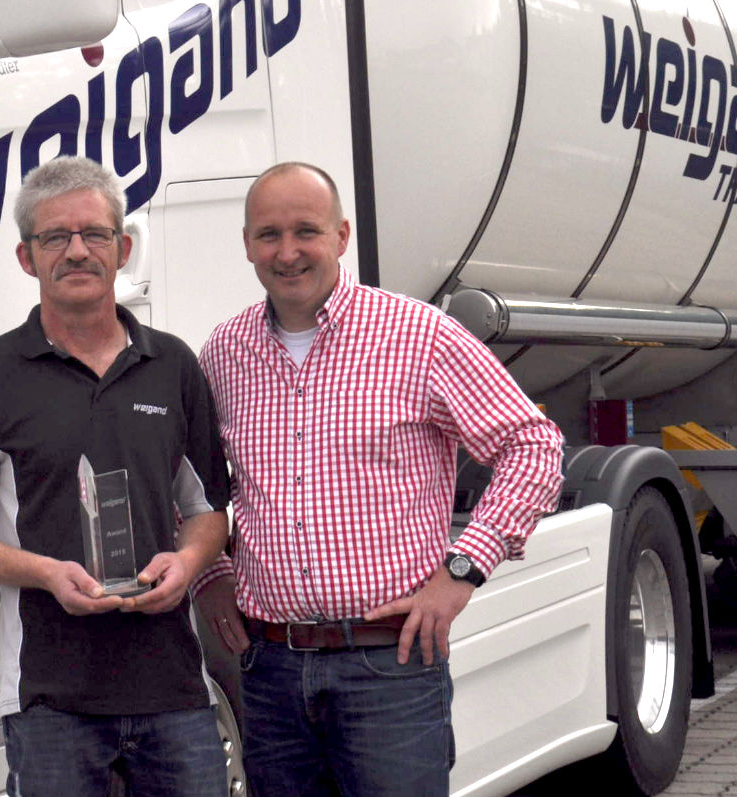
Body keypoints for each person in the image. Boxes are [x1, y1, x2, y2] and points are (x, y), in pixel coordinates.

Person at [193, 162, 565, 797]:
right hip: (269, 670)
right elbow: (195, 483)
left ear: (341, 236)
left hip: (389, 668)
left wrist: (462, 571)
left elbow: (532, 445)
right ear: (247, 244)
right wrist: (211, 575)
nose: (287, 252)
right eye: (268, 234)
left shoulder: (419, 335)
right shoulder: (225, 352)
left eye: (306, 231)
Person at [0, 156, 231, 797]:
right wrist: (47, 574)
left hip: (175, 692)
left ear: (123, 249)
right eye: (55, 237)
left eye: (94, 234)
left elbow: (208, 513)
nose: (77, 251)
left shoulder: (173, 365)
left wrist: (188, 563)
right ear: (26, 258)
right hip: (50, 701)